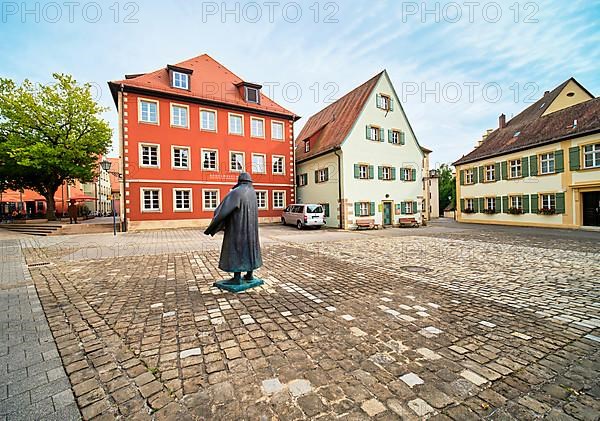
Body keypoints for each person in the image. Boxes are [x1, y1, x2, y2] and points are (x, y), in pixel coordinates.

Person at [204, 172, 262, 284]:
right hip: (251, 231)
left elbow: (223, 210)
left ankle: (237, 279)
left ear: (240, 182)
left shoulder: (236, 192)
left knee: (237, 250)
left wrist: (214, 225)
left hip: (238, 229)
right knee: (250, 249)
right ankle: (250, 275)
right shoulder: (253, 193)